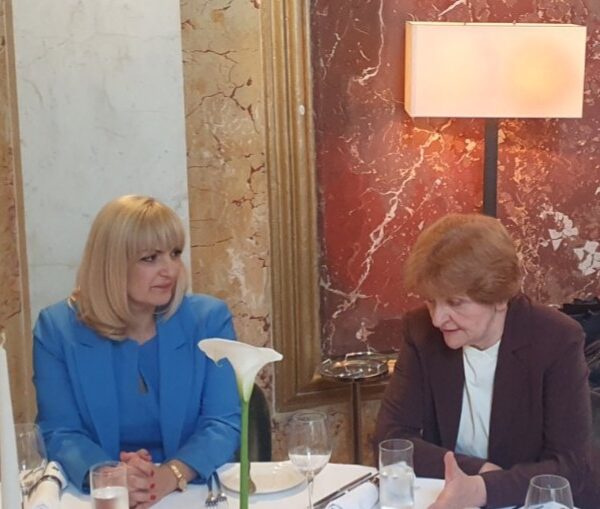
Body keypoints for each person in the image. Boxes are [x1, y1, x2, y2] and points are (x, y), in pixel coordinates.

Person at [374, 213, 599, 509]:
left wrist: (483, 489)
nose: (438, 318)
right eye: (431, 300)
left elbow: (570, 466)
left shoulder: (556, 338)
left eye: (455, 303)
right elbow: (391, 440)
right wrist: (479, 471)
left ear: (499, 298)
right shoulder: (421, 331)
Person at [33, 195, 240, 508]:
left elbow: (223, 423)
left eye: (174, 253)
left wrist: (170, 475)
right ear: (112, 264)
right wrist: (110, 475)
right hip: (100, 496)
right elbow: (59, 431)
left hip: (188, 491)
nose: (170, 270)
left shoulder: (209, 320)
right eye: (150, 258)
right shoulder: (56, 328)